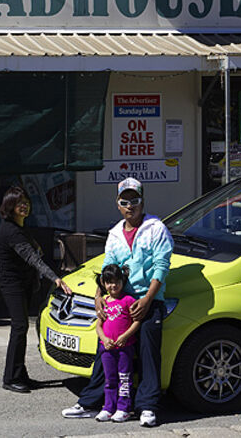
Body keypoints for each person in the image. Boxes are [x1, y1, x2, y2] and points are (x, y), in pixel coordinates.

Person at [62, 177, 173, 428]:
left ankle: (147, 407)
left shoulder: (156, 228)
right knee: (106, 348)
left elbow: (161, 267)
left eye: (135, 200)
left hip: (148, 300)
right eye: (125, 201)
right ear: (118, 204)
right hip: (119, 302)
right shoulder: (114, 234)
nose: (130, 205)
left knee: (148, 348)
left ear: (142, 201)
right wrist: (99, 296)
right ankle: (91, 402)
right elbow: (107, 270)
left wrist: (147, 300)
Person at [0, 185, 71, 393]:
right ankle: (10, 378)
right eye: (20, 203)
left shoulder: (21, 226)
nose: (24, 206)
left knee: (22, 328)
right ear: (9, 206)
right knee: (19, 327)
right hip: (12, 283)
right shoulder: (11, 230)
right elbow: (32, 258)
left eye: (26, 203)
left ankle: (20, 374)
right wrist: (55, 278)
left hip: (24, 282)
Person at [93, 264, 140, 423]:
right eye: (109, 282)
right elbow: (98, 326)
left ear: (122, 281)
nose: (113, 285)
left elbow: (137, 321)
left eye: (116, 281)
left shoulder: (128, 300)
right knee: (110, 379)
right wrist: (105, 340)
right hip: (107, 349)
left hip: (124, 349)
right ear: (104, 284)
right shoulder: (104, 302)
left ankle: (124, 408)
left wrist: (125, 336)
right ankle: (108, 407)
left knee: (124, 379)